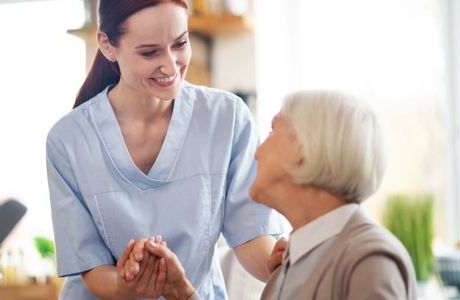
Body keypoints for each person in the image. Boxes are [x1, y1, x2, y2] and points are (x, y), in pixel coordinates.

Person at [45, 0, 284, 298]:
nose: (171, 66)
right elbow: (90, 268)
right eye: (149, 52)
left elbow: (251, 234)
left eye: (180, 43)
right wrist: (128, 281)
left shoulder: (227, 118)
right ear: (107, 45)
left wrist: (279, 262)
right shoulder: (68, 140)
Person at [247, 90, 417, 299]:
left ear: (301, 146)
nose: (257, 152)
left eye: (273, 131)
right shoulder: (287, 265)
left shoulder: (369, 261)